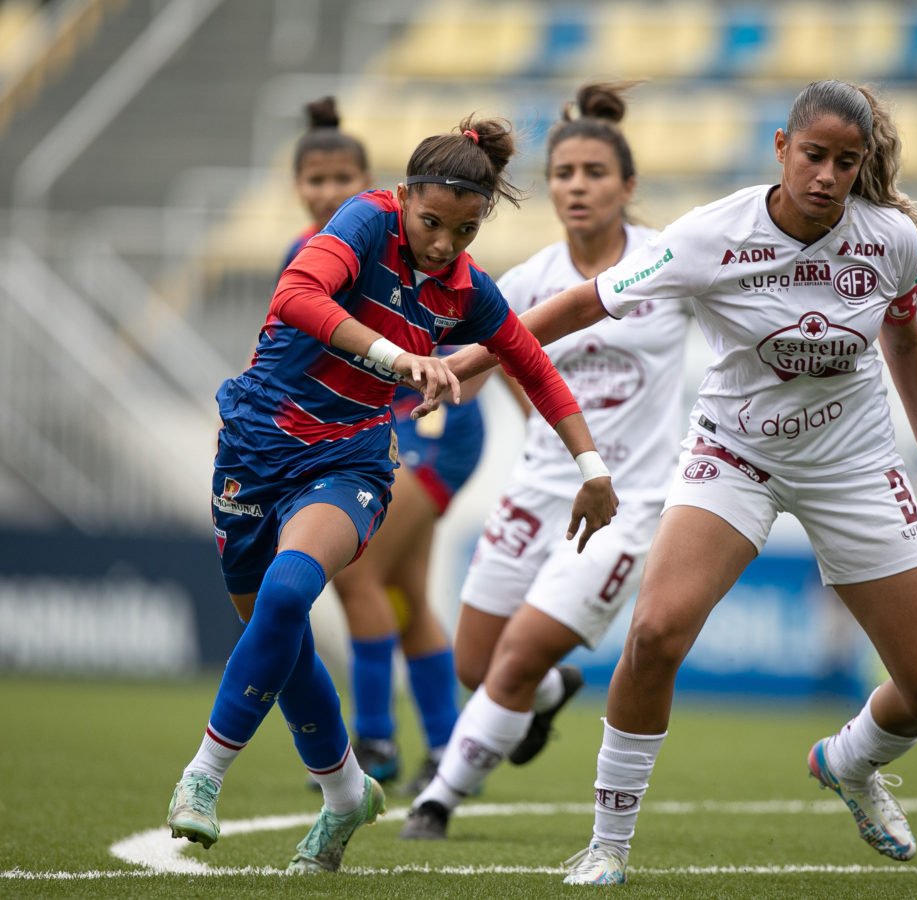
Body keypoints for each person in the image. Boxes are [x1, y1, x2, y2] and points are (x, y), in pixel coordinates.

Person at [419, 79, 917, 883]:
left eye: (846, 161)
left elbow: (905, 343)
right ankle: (608, 849)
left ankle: (849, 760)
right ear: (780, 149)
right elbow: (581, 305)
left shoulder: (892, 238)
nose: (828, 175)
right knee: (654, 635)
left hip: (854, 466)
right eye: (813, 156)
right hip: (735, 456)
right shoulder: (709, 235)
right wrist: (468, 359)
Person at [163, 115, 618, 874]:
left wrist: (592, 467)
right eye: (433, 222)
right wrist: (398, 357)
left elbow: (534, 366)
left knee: (286, 598)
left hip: (350, 461)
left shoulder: (467, 290)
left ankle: (203, 776)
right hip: (253, 446)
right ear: (404, 198)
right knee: (280, 637)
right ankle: (345, 790)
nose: (444, 244)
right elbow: (296, 295)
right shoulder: (366, 222)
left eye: (465, 232)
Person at [399, 81, 692, 841]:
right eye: (564, 174)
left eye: (595, 173)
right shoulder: (528, 277)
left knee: (517, 656)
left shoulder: (669, 264)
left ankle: (439, 798)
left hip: (624, 504)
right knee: (478, 663)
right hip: (536, 489)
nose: (577, 187)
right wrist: (431, 379)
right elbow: (497, 354)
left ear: (627, 186)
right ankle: (553, 689)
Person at [285, 97, 489, 794]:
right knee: (401, 590)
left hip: (428, 437)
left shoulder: (408, 240)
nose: (329, 192)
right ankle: (447, 749)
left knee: (358, 577)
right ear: (298, 188)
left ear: (373, 187)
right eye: (316, 180)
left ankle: (373, 741)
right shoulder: (308, 260)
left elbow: (482, 333)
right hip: (376, 438)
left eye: (343, 179)